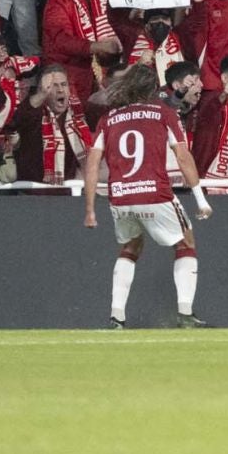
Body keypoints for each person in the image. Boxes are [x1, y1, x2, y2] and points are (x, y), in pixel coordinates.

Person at [80, 62, 209, 330]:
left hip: (121, 197)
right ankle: (185, 313)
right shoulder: (163, 113)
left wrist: (90, 209)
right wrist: (200, 198)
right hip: (155, 192)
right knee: (185, 243)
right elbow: (183, 156)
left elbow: (92, 163)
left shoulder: (109, 119)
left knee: (130, 248)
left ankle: (117, 317)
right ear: (152, 88)